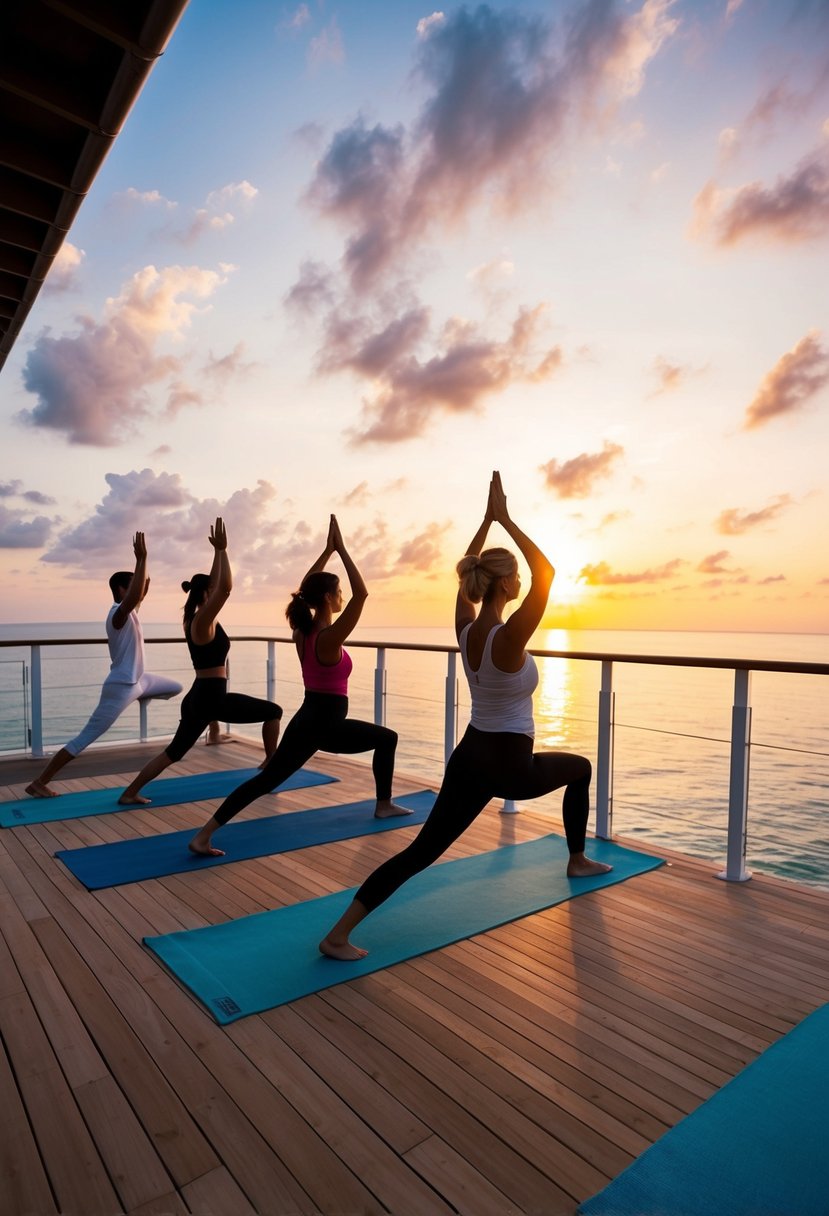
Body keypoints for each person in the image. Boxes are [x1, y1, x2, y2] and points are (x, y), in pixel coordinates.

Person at [319, 471, 611, 960]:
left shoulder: (466, 631)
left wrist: (484, 523)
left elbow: (469, 579)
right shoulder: (508, 636)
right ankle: (577, 860)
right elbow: (549, 575)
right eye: (514, 575)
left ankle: (338, 934)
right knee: (579, 769)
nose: (521, 580)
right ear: (503, 583)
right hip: (509, 764)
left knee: (421, 852)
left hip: (469, 755)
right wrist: (505, 519)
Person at [188, 514, 410, 857]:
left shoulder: (302, 632)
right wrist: (343, 550)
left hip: (307, 719)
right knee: (388, 739)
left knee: (265, 781)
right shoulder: (329, 637)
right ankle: (383, 804)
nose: (341, 596)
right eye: (336, 592)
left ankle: (204, 835)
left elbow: (307, 587)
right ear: (326, 598)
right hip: (326, 725)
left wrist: (326, 552)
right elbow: (362, 594)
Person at [117, 517, 282, 805]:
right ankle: (271, 764)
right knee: (273, 710)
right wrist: (223, 551)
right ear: (207, 594)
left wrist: (217, 552)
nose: (217, 590)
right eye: (212, 589)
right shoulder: (203, 620)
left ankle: (129, 793)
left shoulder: (198, 618)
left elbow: (218, 583)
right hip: (210, 699)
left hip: (200, 697)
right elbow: (225, 588)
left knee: (174, 752)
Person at [25, 533, 183, 798]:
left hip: (139, 681)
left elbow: (140, 593)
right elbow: (135, 596)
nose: (139, 590)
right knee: (85, 738)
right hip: (120, 686)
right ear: (122, 590)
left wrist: (144, 570)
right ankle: (40, 782)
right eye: (133, 586)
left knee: (175, 687)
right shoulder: (117, 614)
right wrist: (141, 558)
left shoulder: (131, 612)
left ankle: (142, 698)